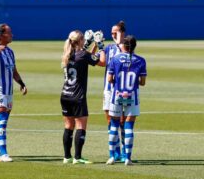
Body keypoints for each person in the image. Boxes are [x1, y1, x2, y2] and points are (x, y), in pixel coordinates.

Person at [0, 23, 27, 162]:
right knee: (1, 121)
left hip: (8, 91)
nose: (12, 34)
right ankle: (3, 153)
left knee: (2, 122)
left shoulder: (10, 51)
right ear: (1, 35)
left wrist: (21, 83)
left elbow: (13, 70)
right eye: (9, 32)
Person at [60, 30, 105, 164]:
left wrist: (92, 45)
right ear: (80, 41)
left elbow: (86, 57)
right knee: (81, 126)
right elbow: (102, 62)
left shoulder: (67, 54)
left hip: (65, 94)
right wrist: (100, 45)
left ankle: (67, 157)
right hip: (77, 96)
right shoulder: (83, 55)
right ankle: (78, 157)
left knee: (68, 126)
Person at [106, 35, 147, 165]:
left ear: (123, 46)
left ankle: (112, 156)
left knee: (114, 125)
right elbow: (143, 82)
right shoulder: (140, 60)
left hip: (116, 95)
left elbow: (109, 79)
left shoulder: (115, 59)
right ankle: (128, 158)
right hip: (132, 96)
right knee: (129, 126)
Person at [102, 21, 126, 162]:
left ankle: (124, 151)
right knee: (110, 120)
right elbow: (101, 63)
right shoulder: (109, 48)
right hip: (108, 90)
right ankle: (115, 151)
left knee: (122, 121)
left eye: (115, 32)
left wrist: (119, 42)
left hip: (122, 90)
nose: (112, 35)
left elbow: (127, 58)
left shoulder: (127, 45)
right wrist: (96, 46)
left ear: (122, 33)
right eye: (111, 32)